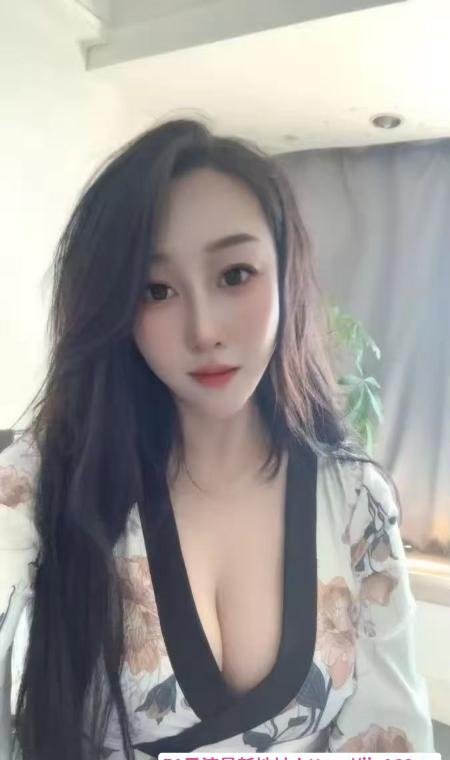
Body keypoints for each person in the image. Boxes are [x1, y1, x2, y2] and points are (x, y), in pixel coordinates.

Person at [0, 119, 434, 760]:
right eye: (156, 290)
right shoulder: (47, 478)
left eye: (234, 275)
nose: (203, 330)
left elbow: (394, 737)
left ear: (285, 276)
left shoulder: (354, 499)